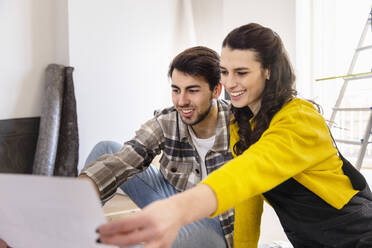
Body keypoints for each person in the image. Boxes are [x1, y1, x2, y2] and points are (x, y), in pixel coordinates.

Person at [96, 23, 372, 248]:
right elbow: (247, 201)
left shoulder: (300, 118)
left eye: (241, 73)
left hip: (356, 235)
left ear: (269, 71)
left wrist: (177, 210)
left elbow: (248, 171)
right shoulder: (242, 125)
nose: (229, 83)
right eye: (225, 72)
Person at [80, 46, 234, 248]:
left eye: (192, 90)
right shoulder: (168, 120)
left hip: (216, 225)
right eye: (176, 90)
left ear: (216, 90)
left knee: (164, 240)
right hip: (173, 199)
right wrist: (74, 200)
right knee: (107, 149)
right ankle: (78, 230)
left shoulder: (237, 125)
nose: (182, 101)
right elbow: (126, 158)